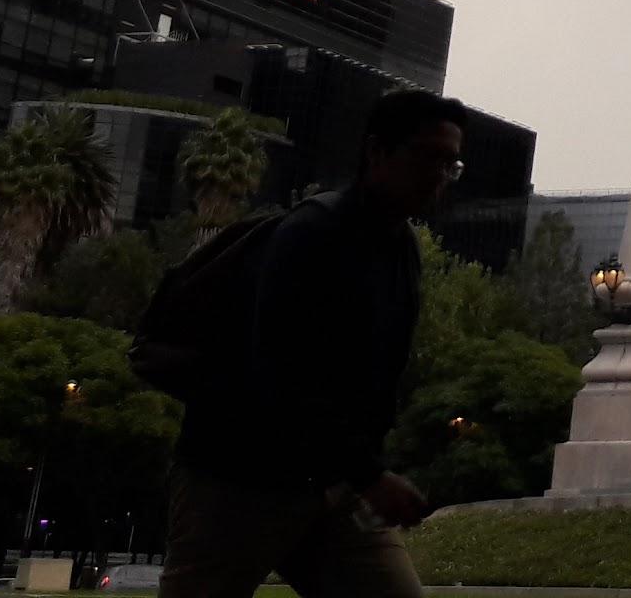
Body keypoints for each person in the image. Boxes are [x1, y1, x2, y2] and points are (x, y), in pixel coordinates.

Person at [164, 90, 467, 598]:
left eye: (450, 164)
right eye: (426, 157)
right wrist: (370, 475)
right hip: (237, 479)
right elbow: (280, 374)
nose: (438, 175)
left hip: (335, 488)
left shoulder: (402, 248)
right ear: (377, 152)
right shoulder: (314, 233)